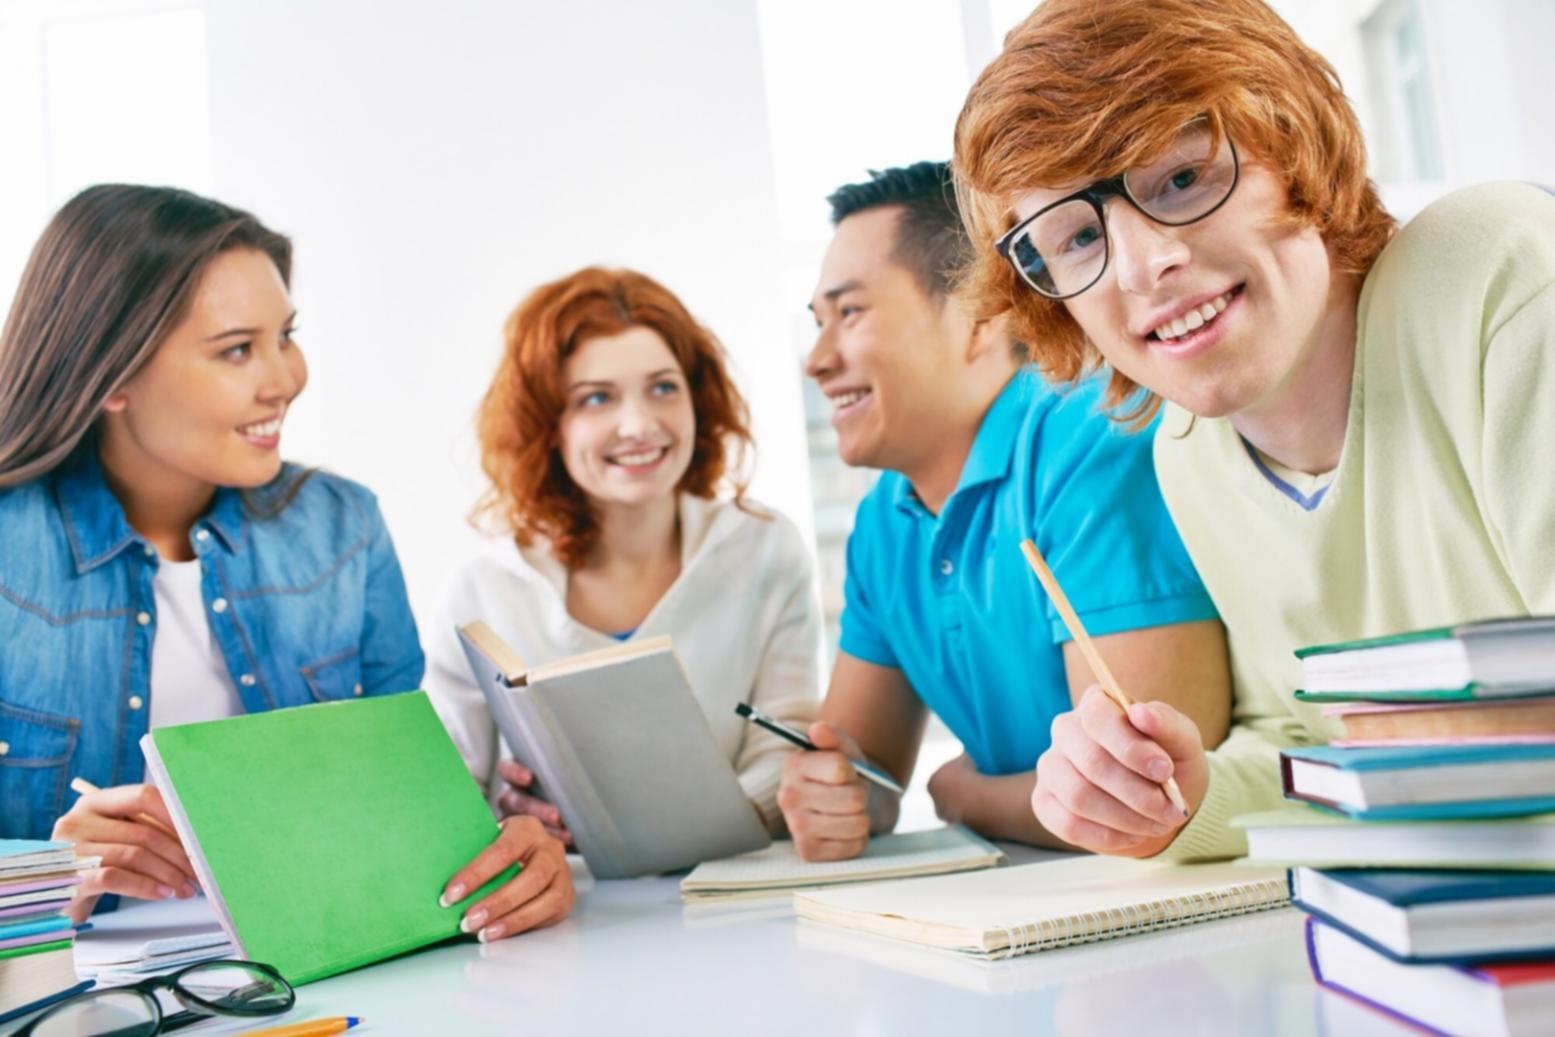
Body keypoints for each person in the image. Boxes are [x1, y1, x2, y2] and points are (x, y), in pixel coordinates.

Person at [953, 0, 1555, 859]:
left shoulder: (1500, 271)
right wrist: (1179, 793)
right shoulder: (1186, 451)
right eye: (1076, 238)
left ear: (1294, 149)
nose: (1140, 266)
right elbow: (1311, 748)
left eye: (1181, 180)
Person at [0, 184, 572, 938]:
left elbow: (403, 815)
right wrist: (37, 884)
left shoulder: (342, 528)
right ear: (112, 375)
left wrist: (509, 854)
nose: (287, 378)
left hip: (322, 982)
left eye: (285, 336)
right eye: (238, 349)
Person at [777, 161, 1230, 861]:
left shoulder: (1092, 440)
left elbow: (1146, 798)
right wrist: (829, 797)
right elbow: (864, 775)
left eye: (850, 313)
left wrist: (965, 797)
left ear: (979, 318)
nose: (816, 359)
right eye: (817, 322)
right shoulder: (880, 523)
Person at [425, 267, 821, 841]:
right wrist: (500, 820)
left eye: (663, 387)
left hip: (732, 892)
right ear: (548, 425)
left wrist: (664, 832)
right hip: (564, 913)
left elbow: (785, 748)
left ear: (697, 399)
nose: (638, 425)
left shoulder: (764, 549)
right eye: (595, 398)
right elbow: (449, 792)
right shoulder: (482, 591)